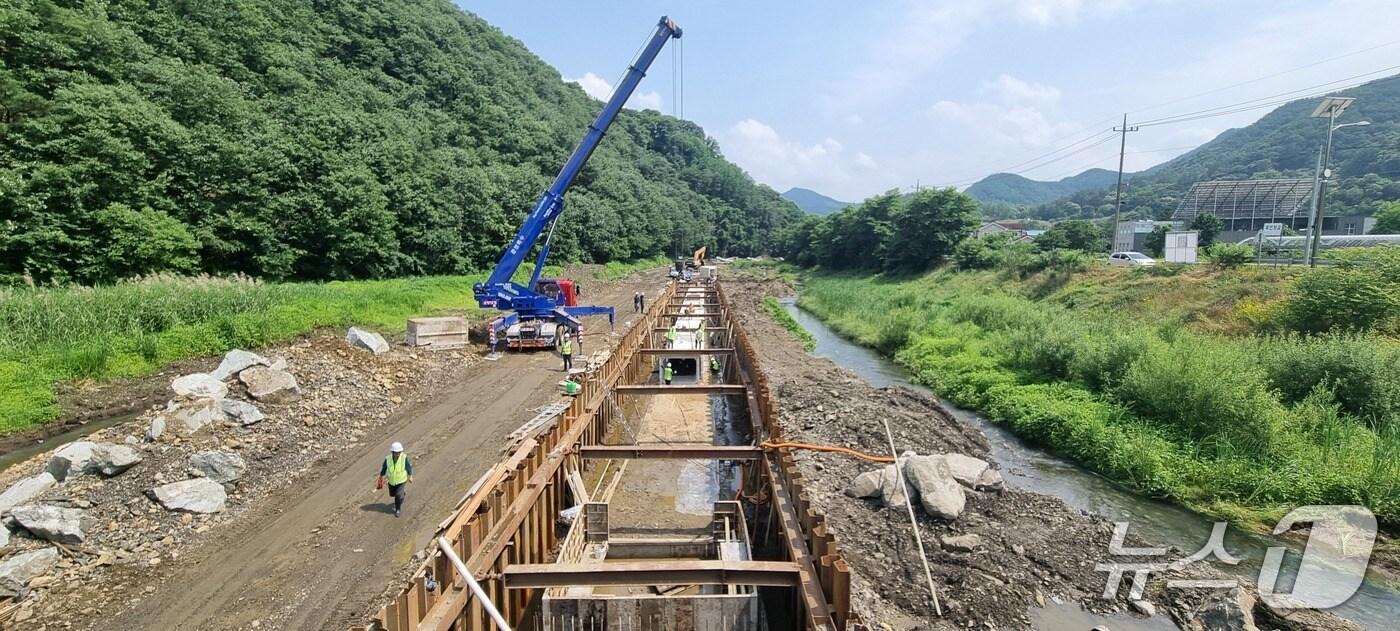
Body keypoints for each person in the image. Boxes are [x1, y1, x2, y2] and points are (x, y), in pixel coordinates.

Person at [376, 442, 413, 517]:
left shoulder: (404, 458)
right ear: (392, 452)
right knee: (392, 494)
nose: (398, 454)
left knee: (398, 495)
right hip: (392, 481)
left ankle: (397, 509)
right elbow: (384, 468)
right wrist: (381, 477)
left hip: (401, 480)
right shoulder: (388, 459)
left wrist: (410, 476)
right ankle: (402, 494)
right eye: (396, 453)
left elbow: (408, 467)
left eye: (399, 452)